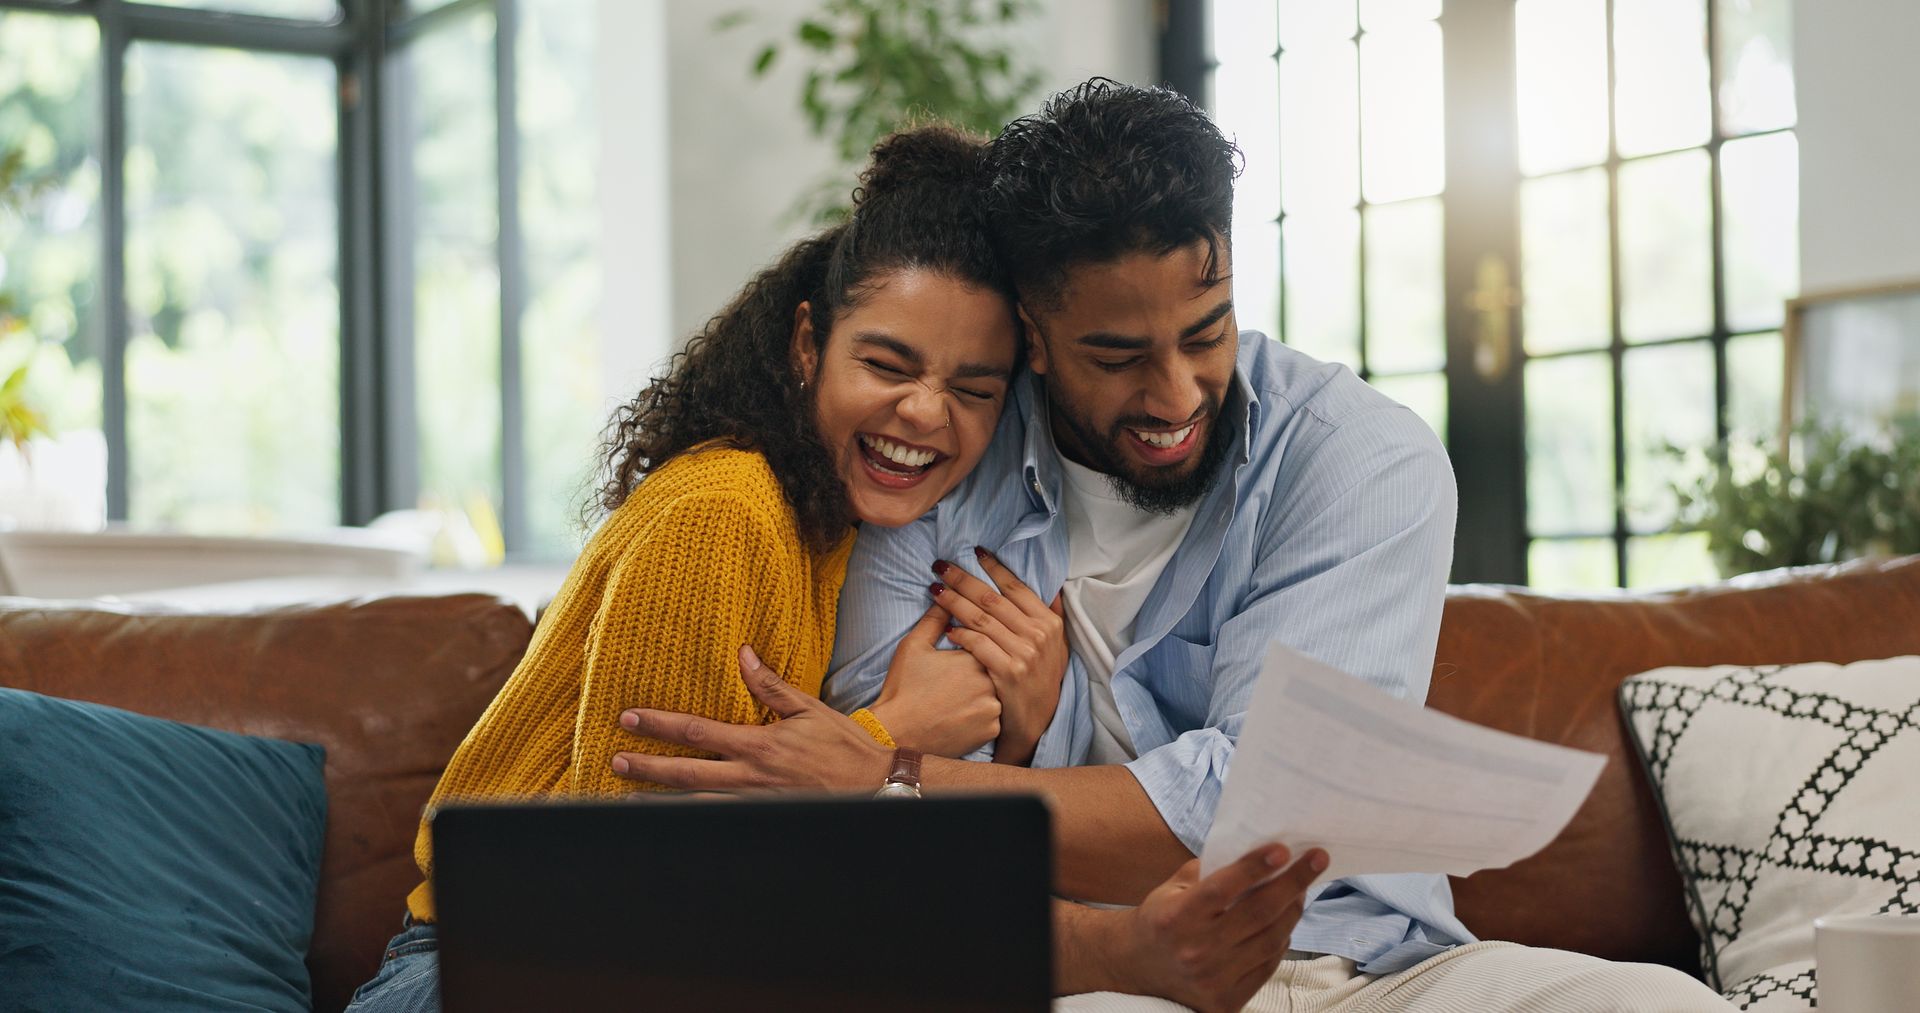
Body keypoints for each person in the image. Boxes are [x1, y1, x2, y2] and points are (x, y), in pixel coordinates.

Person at [612, 81, 1737, 1012]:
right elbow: (859, 759)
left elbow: (1255, 813)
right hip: (1102, 971)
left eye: (1205, 332)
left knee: (1664, 1005)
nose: (1177, 391)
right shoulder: (946, 457)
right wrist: (978, 756)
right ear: (1034, 338)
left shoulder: (1356, 458)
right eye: (1117, 353)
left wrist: (918, 768)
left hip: (1375, 969)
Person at [347, 123, 1325, 1013]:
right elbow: (628, 889)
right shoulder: (722, 513)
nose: (925, 414)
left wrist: (1018, 732)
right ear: (810, 344)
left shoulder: (852, 526)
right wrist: (886, 738)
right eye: (889, 365)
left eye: (972, 388)